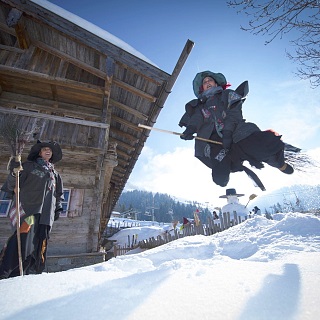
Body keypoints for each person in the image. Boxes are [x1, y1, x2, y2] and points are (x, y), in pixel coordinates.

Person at [179, 70, 294, 191]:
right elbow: (196, 119)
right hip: (214, 142)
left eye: (210, 80)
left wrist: (227, 133)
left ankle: (279, 164)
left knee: (260, 146)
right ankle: (227, 165)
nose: (207, 82)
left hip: (236, 131)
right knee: (220, 178)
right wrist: (190, 129)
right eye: (205, 82)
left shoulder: (227, 95)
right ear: (201, 88)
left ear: (216, 83)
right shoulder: (199, 106)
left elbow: (234, 113)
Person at [0, 140, 64, 279]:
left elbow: (59, 194)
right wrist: (13, 173)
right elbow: (12, 184)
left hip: (46, 217)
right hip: (30, 212)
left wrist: (58, 208)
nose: (48, 151)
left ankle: (28, 276)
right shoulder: (29, 167)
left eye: (50, 150)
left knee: (38, 248)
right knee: (22, 242)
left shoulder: (55, 175)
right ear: (39, 153)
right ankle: (5, 272)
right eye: (45, 149)